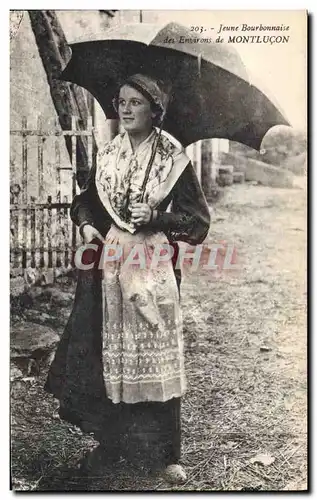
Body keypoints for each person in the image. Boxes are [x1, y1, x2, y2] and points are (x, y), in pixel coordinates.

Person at [45, 73, 210, 485]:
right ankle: (112, 444)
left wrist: (158, 217)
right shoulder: (110, 153)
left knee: (154, 351)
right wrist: (86, 226)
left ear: (155, 110)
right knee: (110, 353)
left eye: (136, 102)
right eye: (121, 101)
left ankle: (167, 453)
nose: (125, 108)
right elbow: (85, 202)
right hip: (111, 263)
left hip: (153, 263)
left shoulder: (172, 157)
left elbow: (198, 222)